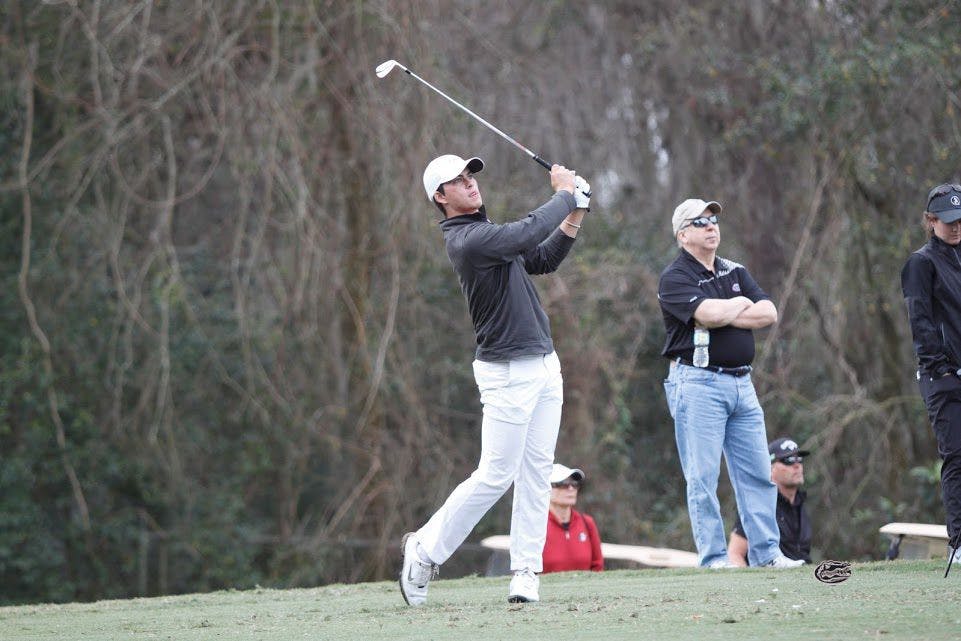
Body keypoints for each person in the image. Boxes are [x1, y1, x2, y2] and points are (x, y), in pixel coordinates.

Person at [398, 154, 591, 606]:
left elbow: (540, 258)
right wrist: (564, 194)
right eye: (458, 181)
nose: (470, 184)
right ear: (440, 197)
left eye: (471, 176)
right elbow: (524, 233)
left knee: (536, 472)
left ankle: (525, 572)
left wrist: (574, 217)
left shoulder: (490, 236)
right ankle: (424, 550)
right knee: (495, 474)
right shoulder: (468, 240)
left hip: (544, 364)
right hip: (505, 371)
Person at [657, 198, 803, 570]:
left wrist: (728, 307)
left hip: (742, 385)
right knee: (703, 477)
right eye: (700, 221)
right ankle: (714, 558)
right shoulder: (675, 277)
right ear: (682, 234)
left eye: (713, 220)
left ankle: (768, 554)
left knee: (757, 473)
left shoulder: (734, 270)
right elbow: (706, 313)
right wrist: (738, 304)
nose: (711, 226)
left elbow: (768, 312)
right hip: (697, 384)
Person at [901, 182, 961, 563]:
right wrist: (942, 368)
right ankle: (959, 543)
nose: (956, 228)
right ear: (931, 221)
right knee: (957, 457)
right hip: (944, 379)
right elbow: (921, 323)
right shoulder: (921, 263)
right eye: (949, 221)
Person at [727, 437, 813, 566]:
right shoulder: (758, 505)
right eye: (788, 460)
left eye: (799, 459)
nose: (797, 465)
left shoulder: (799, 503)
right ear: (771, 468)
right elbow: (735, 554)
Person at [542, 463, 604, 573]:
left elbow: (597, 567)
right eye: (563, 484)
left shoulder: (587, 523)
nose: (571, 488)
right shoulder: (536, 525)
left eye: (574, 484)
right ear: (547, 488)